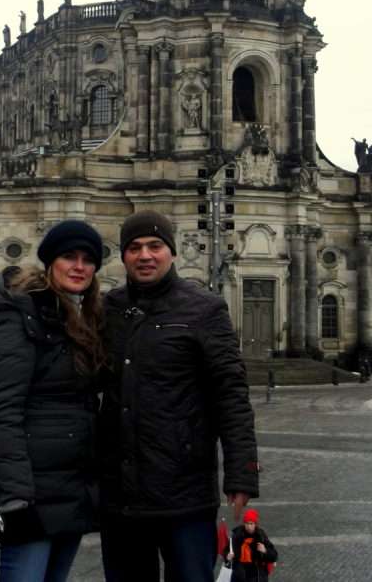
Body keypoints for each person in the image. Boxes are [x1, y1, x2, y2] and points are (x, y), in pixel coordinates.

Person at [99, 211, 259, 582]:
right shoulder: (109, 309)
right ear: (123, 255)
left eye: (155, 246)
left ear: (171, 252)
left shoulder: (205, 309)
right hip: (121, 495)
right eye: (135, 247)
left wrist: (241, 474)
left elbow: (230, 393)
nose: (145, 255)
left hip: (184, 493)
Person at [0, 219, 105, 582]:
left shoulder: (81, 317)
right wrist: (16, 496)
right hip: (30, 496)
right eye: (69, 256)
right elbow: (3, 410)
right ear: (50, 262)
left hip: (71, 489)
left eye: (87, 259)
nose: (79, 266)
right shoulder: (20, 314)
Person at [223, 509, 278, 582]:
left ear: (255, 524)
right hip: (240, 577)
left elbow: (274, 556)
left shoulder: (261, 536)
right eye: (247, 523)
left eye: (251, 524)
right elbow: (227, 551)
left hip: (257, 577)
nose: (249, 526)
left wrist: (265, 551)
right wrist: (227, 556)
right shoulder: (236, 536)